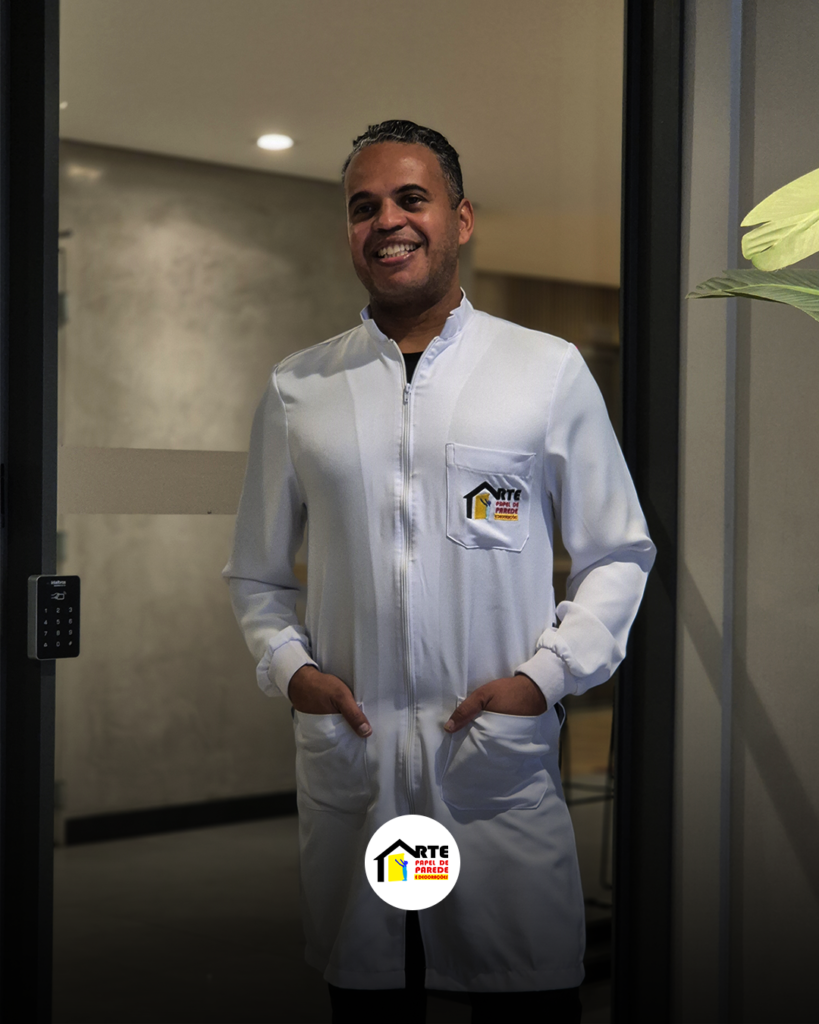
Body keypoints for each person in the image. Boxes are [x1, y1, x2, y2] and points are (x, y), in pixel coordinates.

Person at [223, 120, 655, 1023]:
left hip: (488, 762)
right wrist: (291, 670)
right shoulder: (301, 388)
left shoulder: (543, 370)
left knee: (522, 997)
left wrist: (545, 679)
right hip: (360, 760)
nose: (387, 221)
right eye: (363, 207)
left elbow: (617, 552)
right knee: (374, 996)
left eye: (410, 198)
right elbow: (256, 574)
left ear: (460, 219)